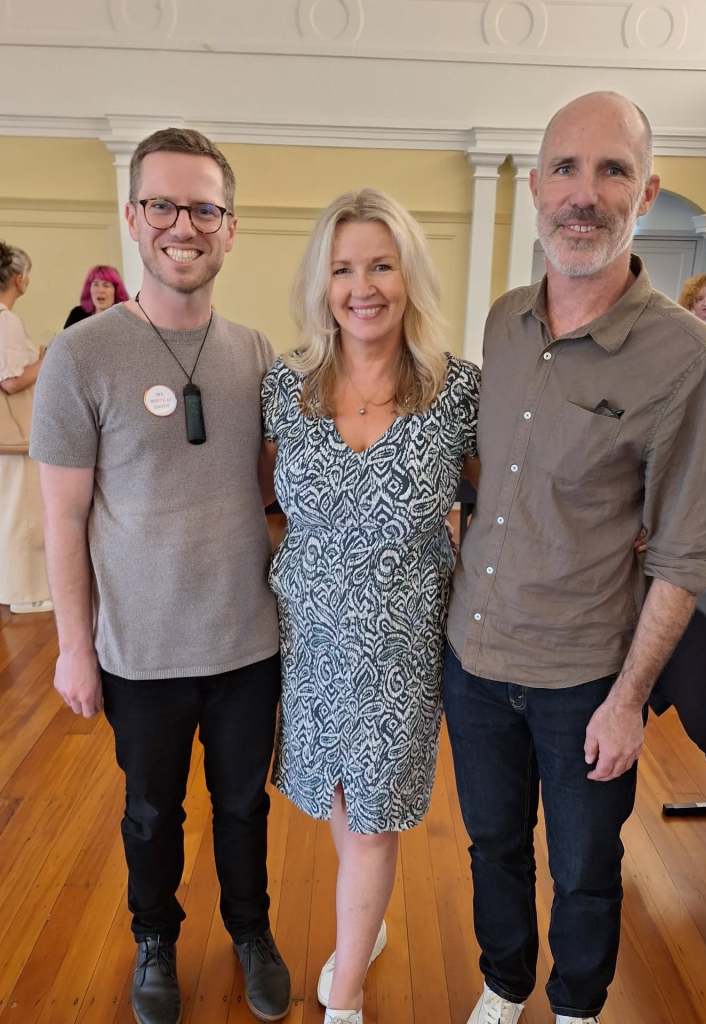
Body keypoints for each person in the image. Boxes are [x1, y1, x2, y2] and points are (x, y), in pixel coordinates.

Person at [444, 91, 706, 1024]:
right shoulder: (500, 322)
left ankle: (576, 1005)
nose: (586, 193)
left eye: (613, 170)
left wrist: (627, 700)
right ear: (535, 188)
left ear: (646, 192)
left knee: (583, 869)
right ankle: (503, 983)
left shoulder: (690, 359)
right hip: (476, 663)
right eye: (566, 168)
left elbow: (690, 554)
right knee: (492, 846)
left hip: (585, 682)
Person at [30, 128, 290, 1024]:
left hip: (248, 641)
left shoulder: (257, 355)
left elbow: (271, 492)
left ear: (231, 226)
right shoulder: (82, 355)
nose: (187, 225)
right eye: (166, 205)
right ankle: (156, 939)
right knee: (150, 815)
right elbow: (62, 516)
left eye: (206, 208)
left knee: (243, 808)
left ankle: (250, 930)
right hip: (138, 649)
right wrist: (73, 649)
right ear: (134, 218)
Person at [261, 188, 480, 1024]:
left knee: (372, 814)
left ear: (408, 274)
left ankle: (346, 993)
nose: (363, 286)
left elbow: (513, 500)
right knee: (343, 809)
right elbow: (254, 498)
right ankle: (367, 927)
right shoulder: (286, 387)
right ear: (322, 283)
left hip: (403, 645)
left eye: (381, 265)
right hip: (310, 641)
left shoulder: (457, 392)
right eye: (344, 268)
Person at [0, 242, 52, 613]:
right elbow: (12, 381)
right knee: (23, 513)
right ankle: (25, 592)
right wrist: (45, 359)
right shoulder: (6, 320)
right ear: (19, 279)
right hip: (14, 435)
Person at [63, 264, 130, 327]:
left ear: (116, 291)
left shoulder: (125, 318)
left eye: (106, 285)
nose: (100, 290)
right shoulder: (77, 314)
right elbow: (63, 338)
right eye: (95, 284)